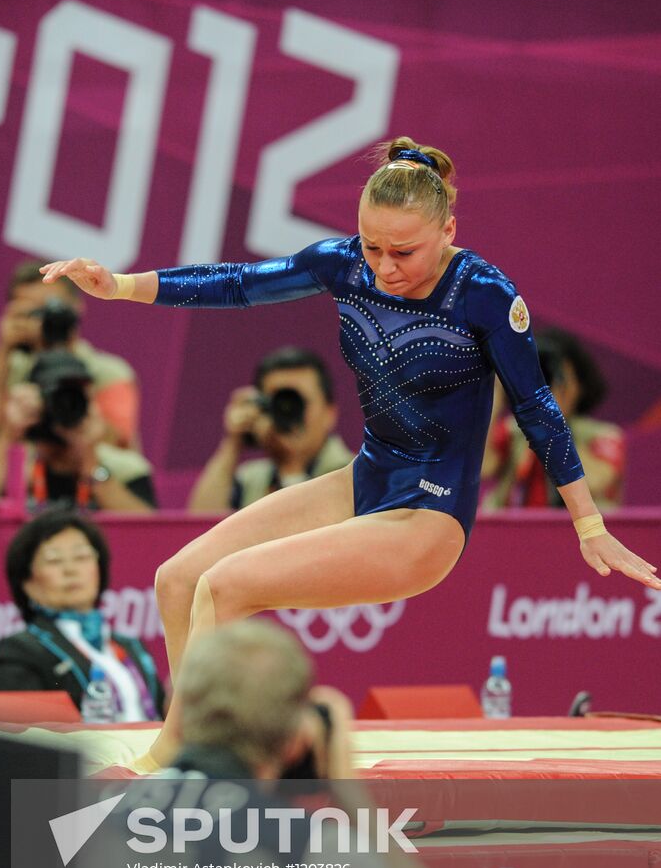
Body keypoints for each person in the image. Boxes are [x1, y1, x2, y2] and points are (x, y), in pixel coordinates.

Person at [41, 136, 660, 769]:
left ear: (449, 229)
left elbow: (538, 410)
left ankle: (183, 759)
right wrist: (121, 284)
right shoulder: (343, 265)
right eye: (371, 246)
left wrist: (589, 523)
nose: (385, 267)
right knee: (177, 581)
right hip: (366, 478)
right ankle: (200, 747)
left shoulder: (485, 295)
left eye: (404, 251)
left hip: (429, 517)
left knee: (225, 587)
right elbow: (235, 284)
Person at [120, 619, 463, 868]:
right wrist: (349, 790)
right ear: (297, 740)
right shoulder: (307, 846)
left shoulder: (93, 822)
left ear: (179, 720)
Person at [0, 509, 164, 719]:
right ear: (28, 582)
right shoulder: (15, 653)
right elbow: (23, 741)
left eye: (82, 556)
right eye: (54, 560)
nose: (70, 569)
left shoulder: (131, 645)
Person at [0, 258, 141, 449]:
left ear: (77, 308)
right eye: (31, 312)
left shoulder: (109, 374)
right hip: (13, 475)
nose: (43, 319)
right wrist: (3, 351)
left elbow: (122, 452)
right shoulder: (1, 369)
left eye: (51, 309)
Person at [0, 352, 157, 513]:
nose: (63, 407)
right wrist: (9, 435)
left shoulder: (126, 467)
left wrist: (90, 462)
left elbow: (146, 530)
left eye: (74, 399)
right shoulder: (12, 464)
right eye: (54, 399)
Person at [188, 346, 353, 512]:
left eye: (299, 402)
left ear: (329, 413)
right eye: (278, 402)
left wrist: (291, 467)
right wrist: (233, 442)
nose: (288, 411)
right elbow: (199, 526)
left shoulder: (356, 474)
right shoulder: (250, 479)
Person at [483, 328, 625, 509]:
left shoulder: (603, 436)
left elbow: (593, 482)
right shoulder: (514, 431)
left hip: (575, 533)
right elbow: (484, 467)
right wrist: (498, 392)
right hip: (517, 534)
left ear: (579, 385)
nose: (547, 384)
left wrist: (554, 419)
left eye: (556, 377)